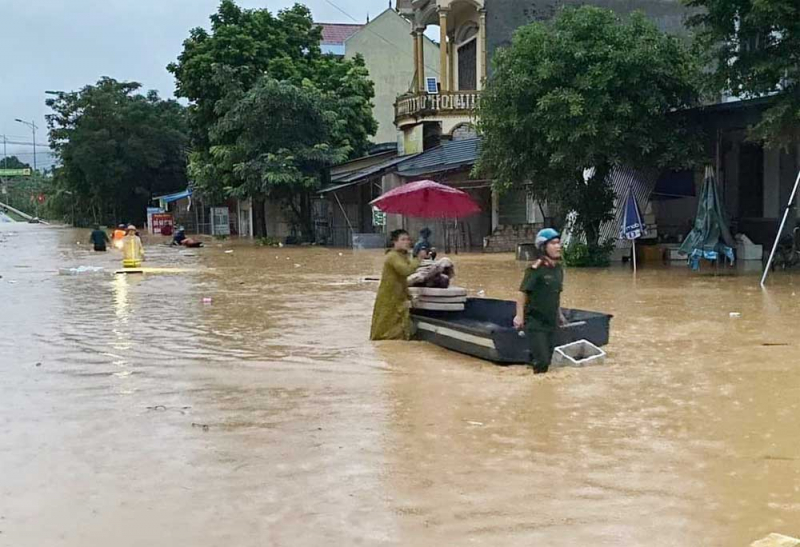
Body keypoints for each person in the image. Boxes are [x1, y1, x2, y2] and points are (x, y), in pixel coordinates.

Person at [514, 228, 565, 374]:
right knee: (542, 362)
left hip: (551, 322)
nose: (558, 246)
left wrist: (560, 315)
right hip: (536, 323)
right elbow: (522, 292)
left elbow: (555, 294)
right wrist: (519, 316)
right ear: (543, 247)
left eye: (558, 243)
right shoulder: (535, 270)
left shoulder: (558, 270)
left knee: (547, 360)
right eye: (553, 243)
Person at [370, 229, 421, 341]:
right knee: (385, 327)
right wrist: (419, 259)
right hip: (389, 298)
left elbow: (403, 280)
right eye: (403, 239)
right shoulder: (392, 256)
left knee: (399, 326)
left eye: (408, 239)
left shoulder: (403, 256)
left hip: (399, 297)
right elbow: (406, 271)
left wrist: (409, 296)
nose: (406, 242)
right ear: (395, 242)